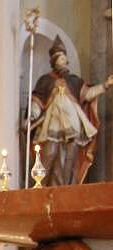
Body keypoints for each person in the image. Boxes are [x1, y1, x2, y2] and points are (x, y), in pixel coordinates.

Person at [29, 35, 113, 186]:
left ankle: (68, 187)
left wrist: (105, 85)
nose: (62, 61)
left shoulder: (73, 80)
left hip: (73, 125)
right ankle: (41, 186)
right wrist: (31, 115)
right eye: (59, 58)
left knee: (69, 160)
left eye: (63, 58)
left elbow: (88, 94)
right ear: (54, 61)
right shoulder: (45, 81)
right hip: (52, 125)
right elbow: (37, 102)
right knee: (50, 154)